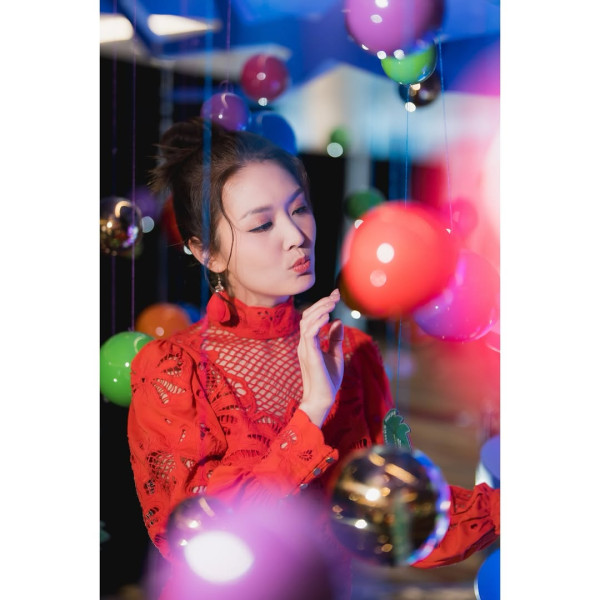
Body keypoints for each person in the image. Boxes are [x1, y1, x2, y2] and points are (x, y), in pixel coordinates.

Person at [127, 118, 500, 599]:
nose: (295, 235)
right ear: (207, 253)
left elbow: (395, 517)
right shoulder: (174, 367)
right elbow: (194, 537)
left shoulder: (352, 351)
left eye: (299, 209)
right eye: (262, 224)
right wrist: (313, 411)